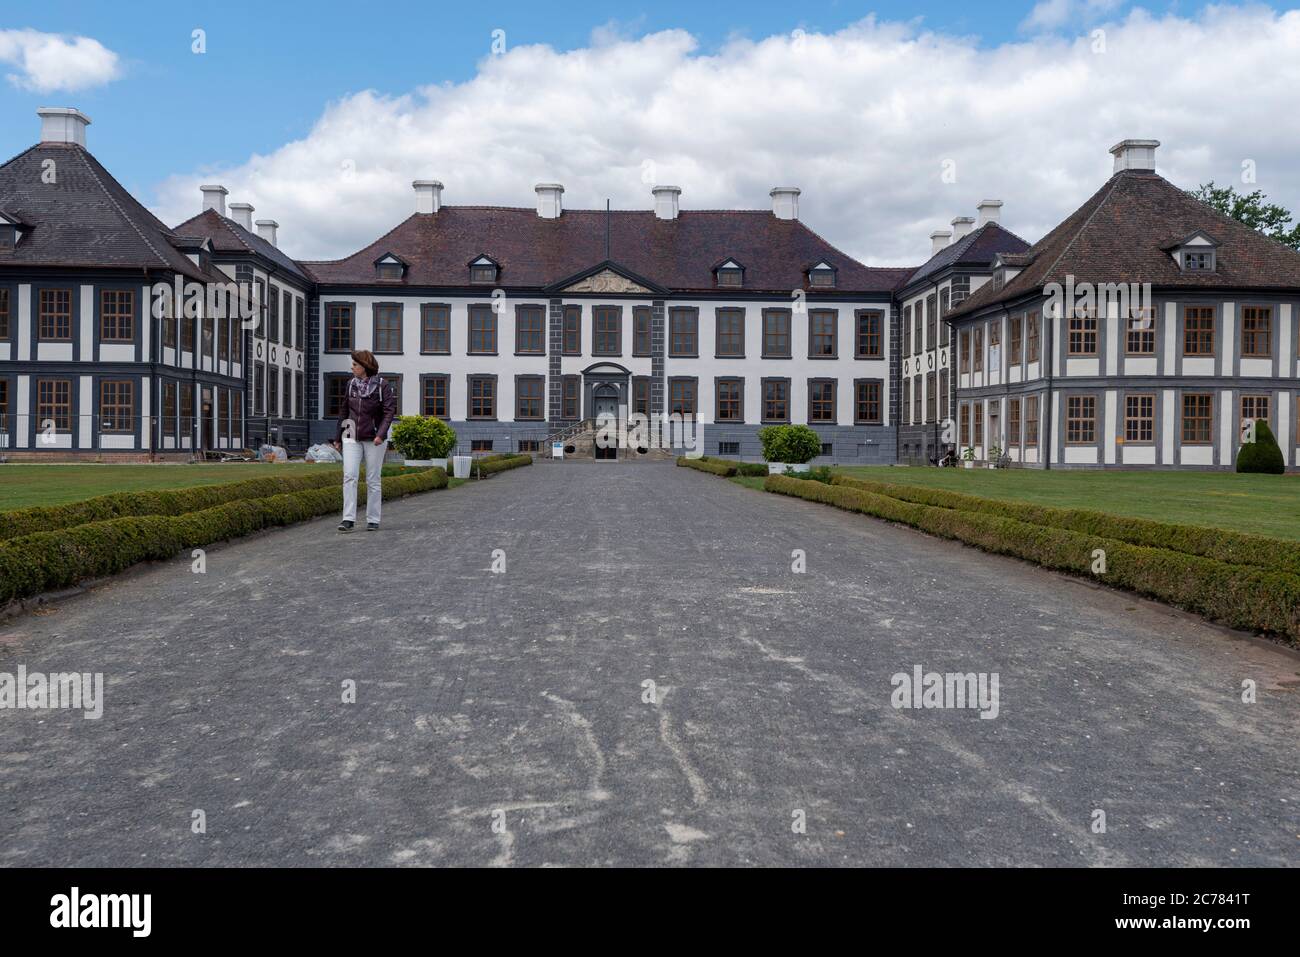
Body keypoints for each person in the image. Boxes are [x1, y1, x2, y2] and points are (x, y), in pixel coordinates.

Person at [332, 350, 397, 532]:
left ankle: (373, 519)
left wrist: (381, 434)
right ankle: (348, 519)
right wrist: (338, 437)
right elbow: (344, 411)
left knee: (373, 479)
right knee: (349, 476)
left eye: (355, 365)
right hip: (351, 434)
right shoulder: (350, 385)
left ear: (365, 367)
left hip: (374, 436)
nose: (351, 367)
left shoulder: (382, 386)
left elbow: (389, 412)